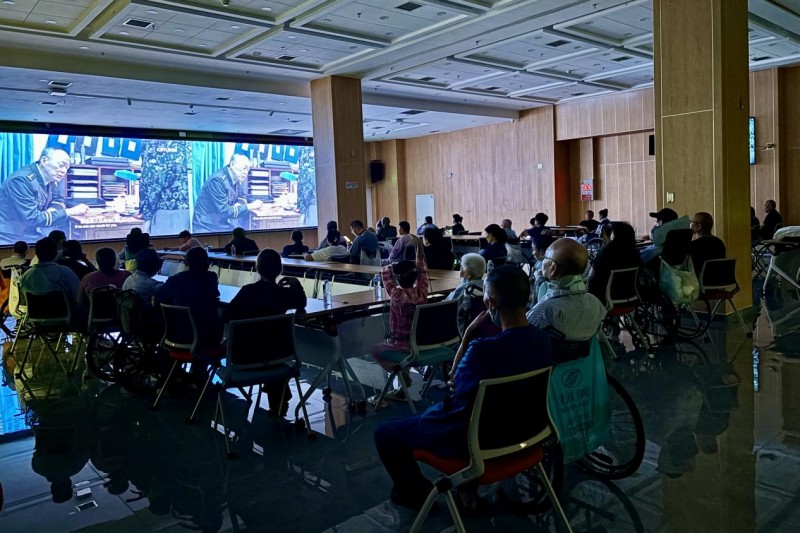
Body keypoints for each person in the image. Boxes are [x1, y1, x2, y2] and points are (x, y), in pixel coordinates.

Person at [374, 265, 553, 510]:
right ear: (528, 296)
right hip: (527, 432)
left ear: (491, 303)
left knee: (386, 433)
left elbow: (454, 383)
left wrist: (468, 335)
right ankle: (466, 490)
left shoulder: (482, 350)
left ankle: (416, 495)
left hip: (475, 440)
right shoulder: (543, 340)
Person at [222, 249, 307, 416]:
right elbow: (301, 303)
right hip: (278, 355)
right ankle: (278, 402)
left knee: (260, 343)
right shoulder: (283, 294)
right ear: (280, 270)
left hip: (244, 357)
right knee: (269, 344)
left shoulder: (246, 291)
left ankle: (278, 401)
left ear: (257, 269)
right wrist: (296, 284)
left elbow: (226, 316)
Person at [369, 235, 428, 406]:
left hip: (401, 344)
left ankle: (401, 374)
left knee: (375, 350)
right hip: (419, 343)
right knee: (403, 355)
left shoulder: (396, 294)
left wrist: (393, 265)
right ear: (416, 277)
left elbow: (384, 271)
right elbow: (423, 270)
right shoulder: (422, 292)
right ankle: (402, 391)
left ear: (397, 277)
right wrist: (419, 249)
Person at [0, 147, 89, 244]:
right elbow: (32, 219)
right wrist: (70, 212)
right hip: (12, 237)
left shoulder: (49, 178)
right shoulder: (21, 181)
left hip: (31, 231)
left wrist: (51, 211)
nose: (64, 171)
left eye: (67, 167)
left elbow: (59, 199)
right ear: (44, 161)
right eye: (61, 165)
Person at [528, 238, 607, 340]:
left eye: (545, 256)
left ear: (553, 268)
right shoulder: (597, 306)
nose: (542, 260)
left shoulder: (541, 313)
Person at [155, 247, 222, 349]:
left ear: (186, 262)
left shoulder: (175, 279)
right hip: (205, 337)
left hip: (175, 335)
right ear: (207, 262)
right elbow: (215, 294)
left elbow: (158, 297)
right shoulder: (211, 277)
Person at [192, 154, 262, 233]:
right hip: (206, 226)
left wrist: (238, 205)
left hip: (221, 223)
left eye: (248, 169)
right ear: (232, 164)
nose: (246, 172)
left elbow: (242, 196)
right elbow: (224, 211)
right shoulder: (217, 181)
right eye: (244, 168)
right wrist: (250, 206)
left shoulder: (237, 178)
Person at [18, 237, 80, 313]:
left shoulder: (26, 276)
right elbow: (78, 295)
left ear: (36, 254)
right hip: (63, 315)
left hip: (35, 316)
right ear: (56, 253)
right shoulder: (65, 272)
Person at [588, 222, 641, 305]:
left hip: (604, 298)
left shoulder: (605, 255)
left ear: (614, 236)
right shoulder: (635, 254)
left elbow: (591, 277)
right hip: (631, 296)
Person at [78, 247, 132, 314]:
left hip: (96, 315)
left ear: (97, 261)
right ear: (114, 260)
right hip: (121, 315)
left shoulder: (87, 279)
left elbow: (80, 302)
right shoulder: (126, 275)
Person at [122, 248, 164, 315]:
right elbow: (168, 291)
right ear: (155, 266)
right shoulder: (152, 284)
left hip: (131, 318)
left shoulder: (128, 279)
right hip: (148, 318)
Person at [688, 212, 726, 276]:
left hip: (701, 280)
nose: (690, 223)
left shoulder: (694, 245)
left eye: (692, 221)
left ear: (699, 227)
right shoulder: (719, 242)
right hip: (719, 278)